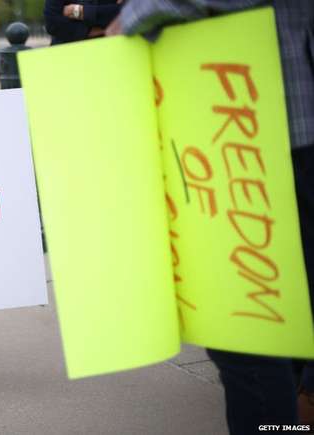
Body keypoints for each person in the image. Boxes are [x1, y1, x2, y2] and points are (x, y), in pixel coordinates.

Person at [108, 0, 314, 432]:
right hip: (270, 121)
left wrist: (130, 17)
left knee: (246, 334)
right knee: (284, 324)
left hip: (258, 128)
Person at [44, 0, 123, 45]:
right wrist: (102, 30)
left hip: (109, 50)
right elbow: (52, 24)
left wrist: (78, 11)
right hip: (67, 56)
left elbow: (125, 11)